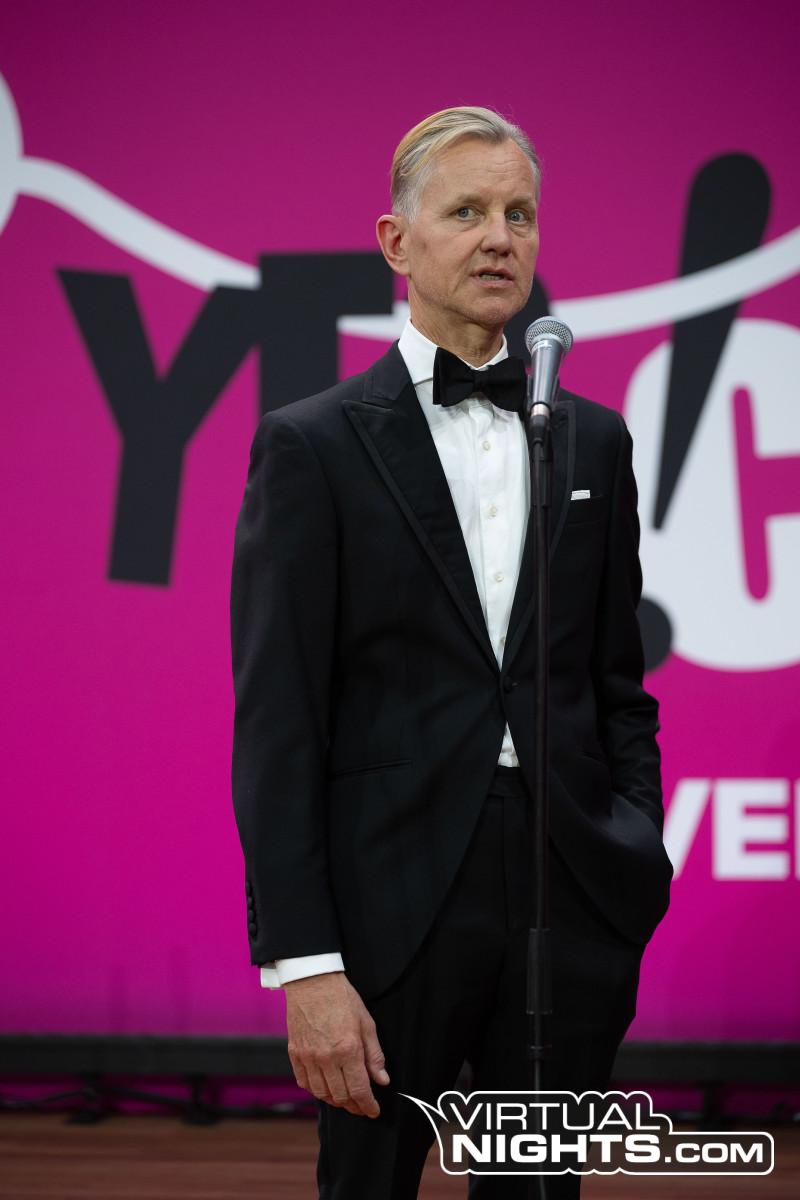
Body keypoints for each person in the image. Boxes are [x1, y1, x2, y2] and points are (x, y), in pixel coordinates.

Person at [230, 106, 672, 1199]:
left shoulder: (594, 439)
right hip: (388, 905)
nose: (498, 238)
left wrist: (632, 852)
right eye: (466, 211)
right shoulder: (312, 444)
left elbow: (615, 682)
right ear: (396, 242)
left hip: (567, 891)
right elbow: (280, 720)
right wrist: (307, 965)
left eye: (518, 214)